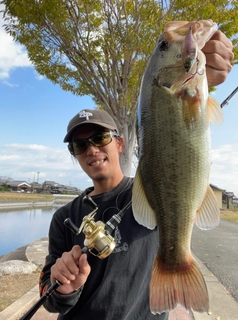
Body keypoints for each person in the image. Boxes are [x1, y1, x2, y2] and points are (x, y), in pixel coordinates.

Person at [39, 30, 233, 320]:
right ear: (75, 155)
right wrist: (65, 285)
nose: (92, 149)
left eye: (100, 137)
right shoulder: (64, 217)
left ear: (120, 143)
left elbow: (176, 146)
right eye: (80, 144)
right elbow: (50, 298)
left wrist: (206, 76)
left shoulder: (147, 193)